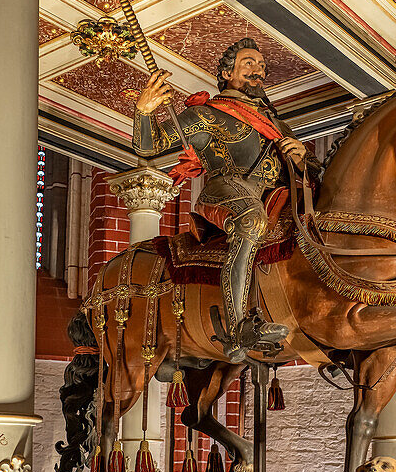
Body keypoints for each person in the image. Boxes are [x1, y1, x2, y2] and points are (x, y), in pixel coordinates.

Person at [133, 37, 321, 362]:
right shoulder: (207, 114)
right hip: (228, 187)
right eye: (248, 63)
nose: (257, 71)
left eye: (261, 66)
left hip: (275, 193)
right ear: (226, 71)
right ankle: (237, 329)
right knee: (252, 221)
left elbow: (313, 169)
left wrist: (303, 158)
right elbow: (150, 146)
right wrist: (143, 111)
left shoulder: (276, 123)